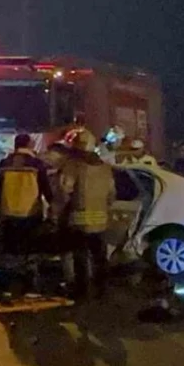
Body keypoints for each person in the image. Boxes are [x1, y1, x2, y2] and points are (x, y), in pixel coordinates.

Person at [53, 129, 116, 302]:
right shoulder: (105, 167)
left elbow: (64, 191)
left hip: (79, 219)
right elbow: (111, 195)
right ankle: (102, 290)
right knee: (100, 257)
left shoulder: (73, 165)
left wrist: (56, 211)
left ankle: (82, 292)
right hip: (101, 220)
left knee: (80, 256)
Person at [0, 133, 52, 258]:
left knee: (10, 247)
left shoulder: (4, 163)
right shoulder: (36, 164)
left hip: (7, 211)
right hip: (30, 212)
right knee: (29, 247)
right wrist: (52, 204)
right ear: (29, 145)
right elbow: (45, 186)